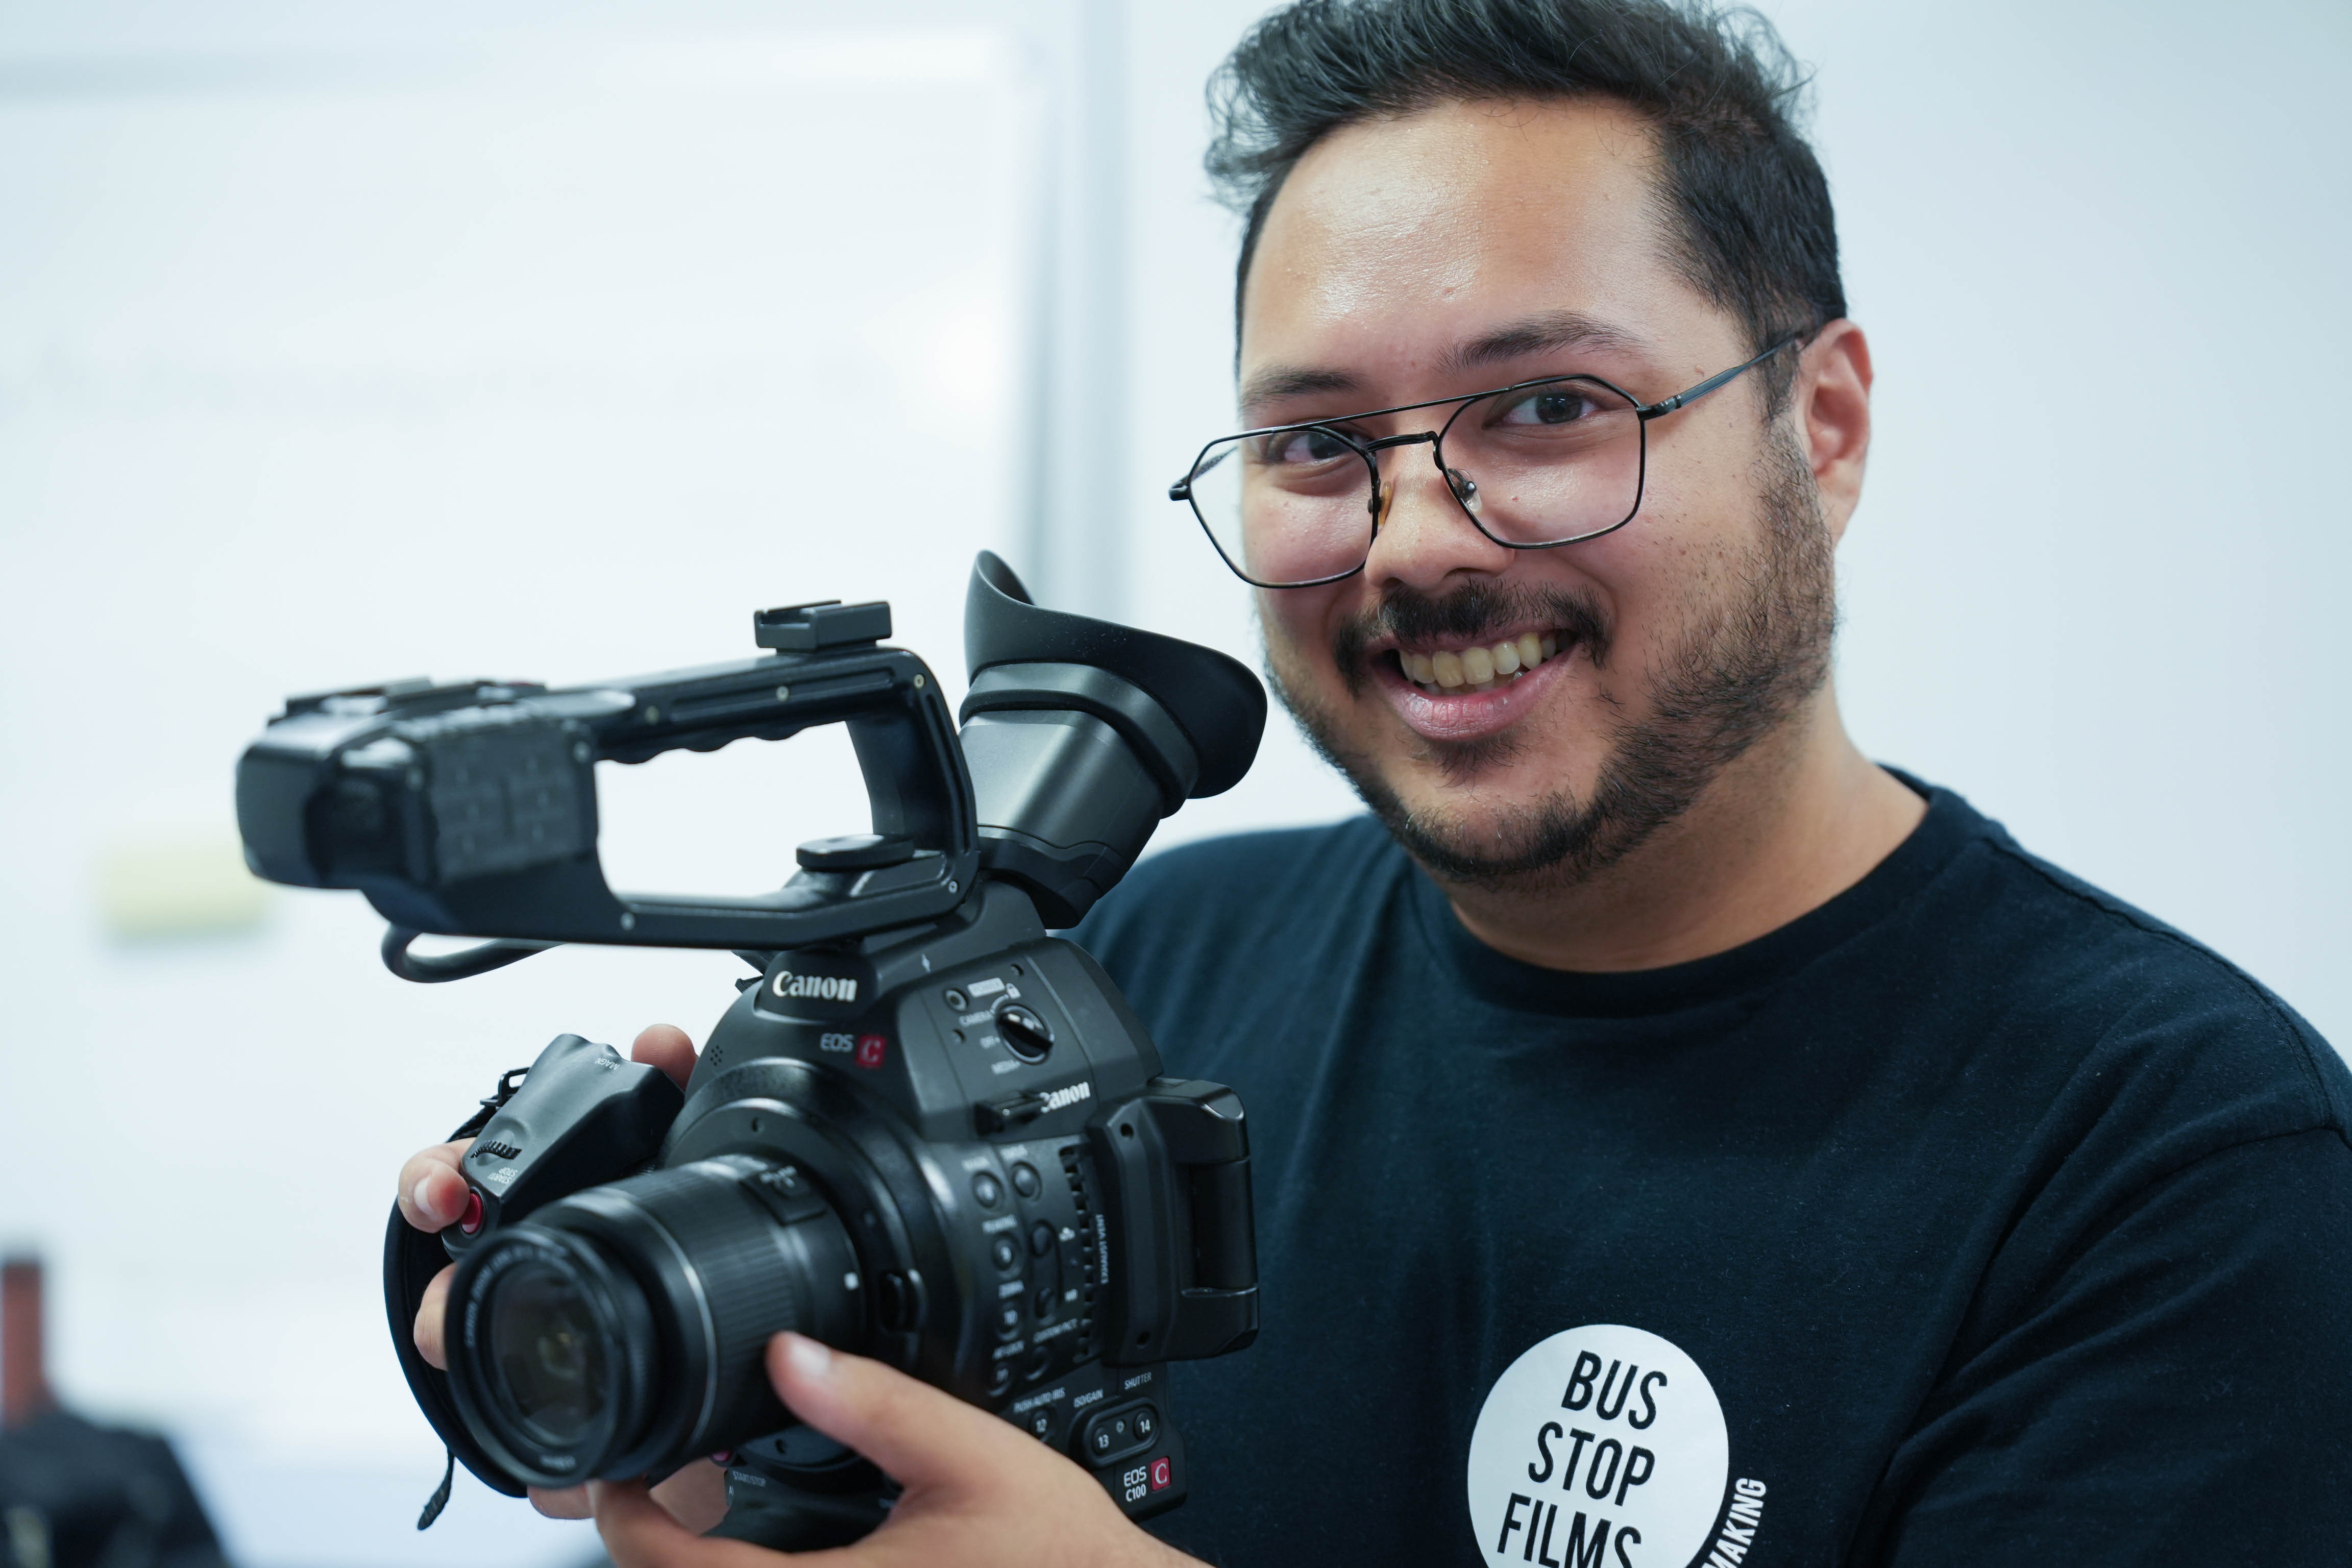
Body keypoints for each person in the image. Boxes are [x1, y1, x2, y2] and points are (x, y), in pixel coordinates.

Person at [399, 1, 2352, 1561]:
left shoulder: (2173, 1166)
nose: (1415, 541)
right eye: (1319, 446)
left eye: (1550, 408)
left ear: (1820, 430)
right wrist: (695, 1384)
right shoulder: (1110, 985)